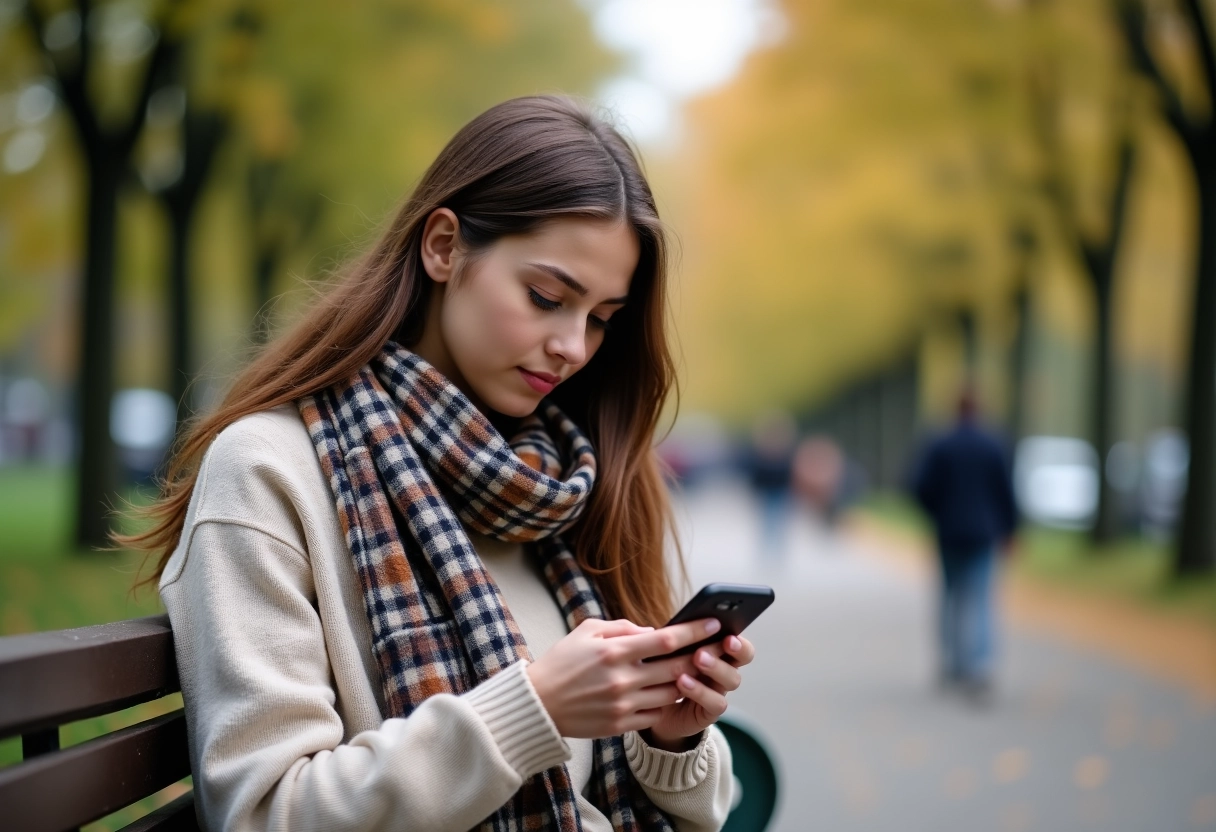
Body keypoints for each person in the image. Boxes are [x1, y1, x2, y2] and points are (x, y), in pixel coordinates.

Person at [120, 96, 751, 832]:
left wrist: (668, 735)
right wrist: (533, 708)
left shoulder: (563, 483)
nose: (574, 346)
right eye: (547, 297)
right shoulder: (268, 472)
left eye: (601, 319)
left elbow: (707, 812)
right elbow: (266, 813)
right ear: (444, 247)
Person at [910, 389, 1017, 700]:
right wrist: (1009, 529)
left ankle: (952, 664)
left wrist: (937, 514)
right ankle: (980, 666)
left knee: (950, 599)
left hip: (949, 532)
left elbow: (920, 487)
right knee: (982, 600)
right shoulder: (993, 444)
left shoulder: (940, 444)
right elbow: (1005, 491)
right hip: (984, 534)